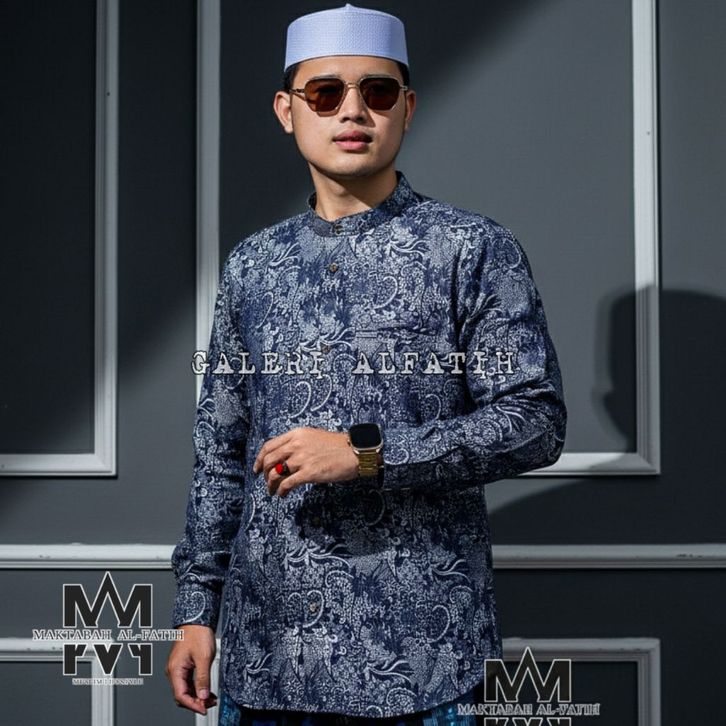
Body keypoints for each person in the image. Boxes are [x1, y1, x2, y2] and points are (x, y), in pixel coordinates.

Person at [166, 3, 567, 724]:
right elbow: (220, 451)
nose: (353, 110)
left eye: (377, 91)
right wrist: (196, 609)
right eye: (326, 93)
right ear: (288, 110)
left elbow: (534, 421)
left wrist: (365, 455)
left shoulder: (471, 249)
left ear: (406, 108)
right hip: (268, 659)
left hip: (424, 664)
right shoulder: (253, 266)